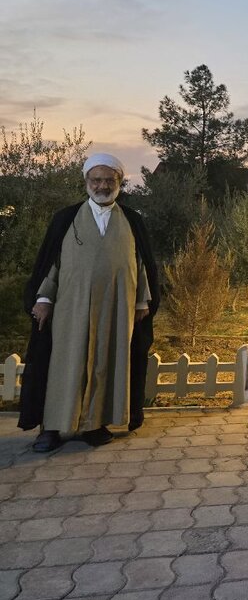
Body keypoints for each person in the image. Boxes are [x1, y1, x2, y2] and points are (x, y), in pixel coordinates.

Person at [19, 153, 159, 453]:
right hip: (71, 309)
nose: (102, 186)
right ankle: (52, 427)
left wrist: (141, 302)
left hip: (116, 309)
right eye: (96, 180)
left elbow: (142, 264)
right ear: (86, 181)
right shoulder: (66, 219)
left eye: (109, 180)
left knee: (106, 365)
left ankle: (94, 424)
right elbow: (51, 264)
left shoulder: (132, 220)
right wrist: (43, 298)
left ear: (119, 182)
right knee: (64, 364)